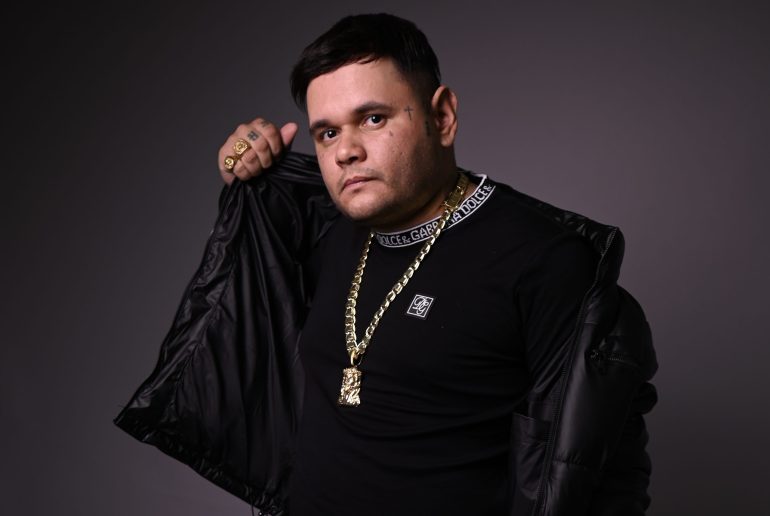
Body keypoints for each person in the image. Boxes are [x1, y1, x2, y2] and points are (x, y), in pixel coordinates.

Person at [116, 13, 657, 516]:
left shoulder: (543, 259)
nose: (345, 151)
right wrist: (250, 168)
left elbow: (601, 466)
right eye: (327, 132)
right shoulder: (323, 232)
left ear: (442, 117)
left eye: (372, 118)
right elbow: (253, 294)